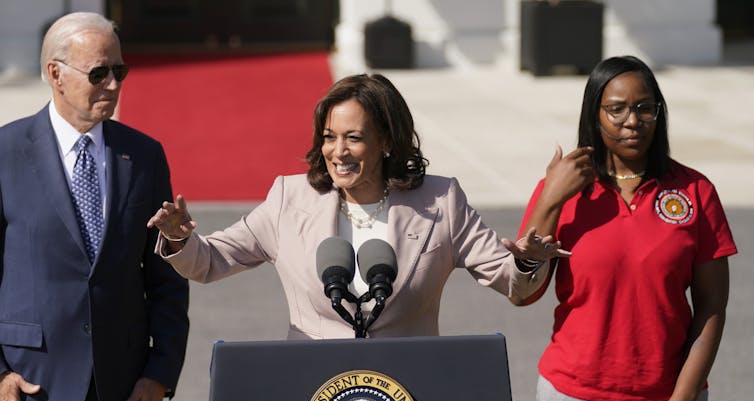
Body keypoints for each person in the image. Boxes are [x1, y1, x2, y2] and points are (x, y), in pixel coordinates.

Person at [147, 73, 565, 340]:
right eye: (329, 136)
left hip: (409, 396)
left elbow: (513, 283)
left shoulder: (441, 201)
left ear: (386, 141)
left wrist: (527, 262)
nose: (337, 151)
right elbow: (210, 262)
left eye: (354, 137)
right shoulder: (289, 199)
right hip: (314, 394)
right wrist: (179, 238)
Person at [518, 55, 737, 401]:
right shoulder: (564, 190)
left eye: (644, 108)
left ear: (659, 112)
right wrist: (550, 201)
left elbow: (712, 307)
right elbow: (523, 292)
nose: (631, 120)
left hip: (664, 398)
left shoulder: (694, 191)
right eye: (616, 109)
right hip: (574, 399)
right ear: (594, 115)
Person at [0, 12, 189, 401]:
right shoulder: (4, 153)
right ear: (55, 74)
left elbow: (166, 279)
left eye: (119, 72)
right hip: (29, 394)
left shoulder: (144, 156)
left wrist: (159, 374)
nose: (112, 84)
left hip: (121, 394)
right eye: (99, 73)